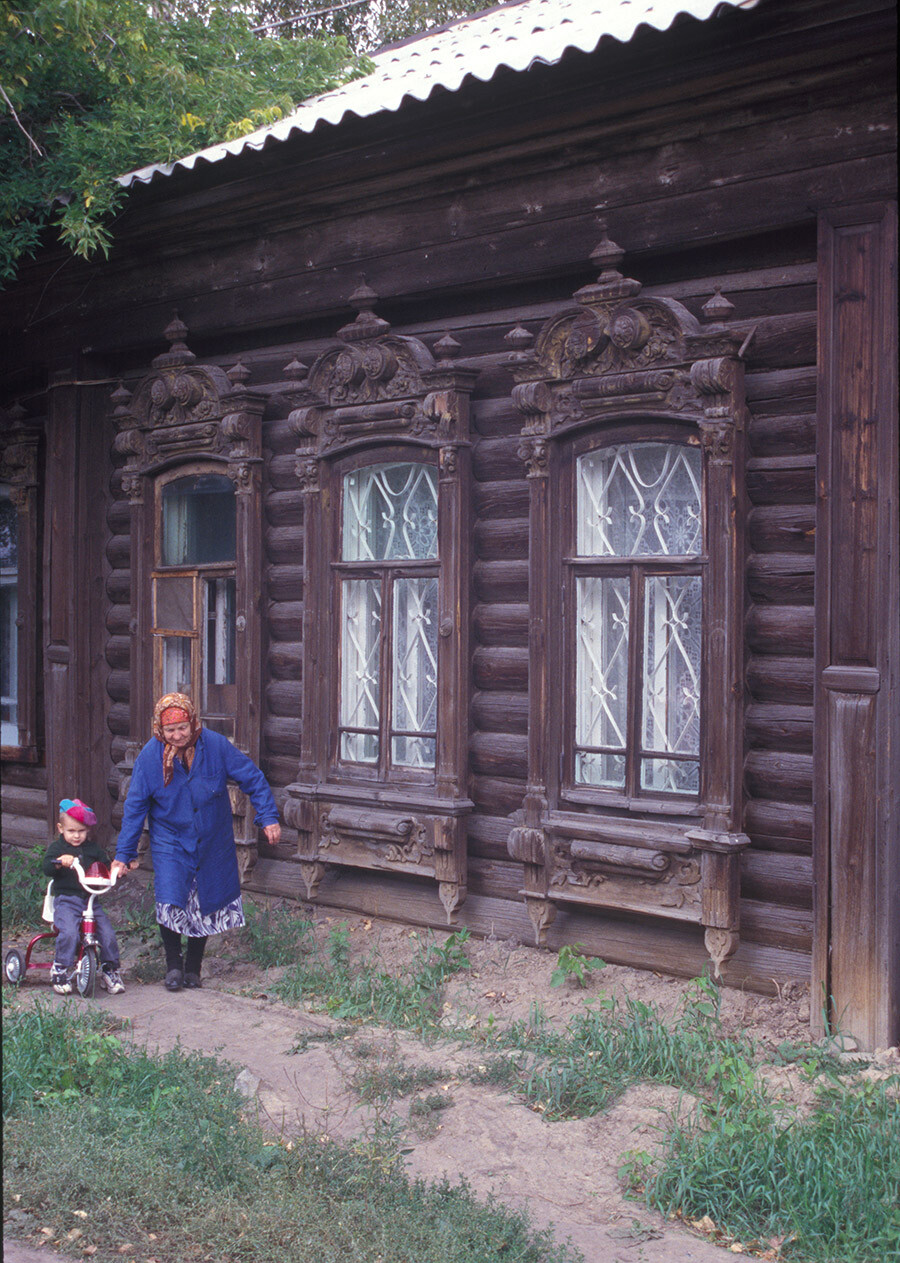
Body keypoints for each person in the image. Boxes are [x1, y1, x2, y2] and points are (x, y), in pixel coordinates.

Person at [111, 693, 281, 992]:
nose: (177, 736)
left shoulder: (214, 745)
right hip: (170, 837)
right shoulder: (149, 758)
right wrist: (124, 853)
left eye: (182, 728)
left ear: (193, 723)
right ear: (159, 730)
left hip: (211, 836)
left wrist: (268, 816)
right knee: (171, 897)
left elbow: (252, 778)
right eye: (170, 730)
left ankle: (193, 968)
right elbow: (135, 807)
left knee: (205, 900)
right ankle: (173, 966)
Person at [43, 798, 125, 996]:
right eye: (71, 831)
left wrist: (119, 867)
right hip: (67, 901)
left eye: (81, 831)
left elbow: (105, 865)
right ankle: (60, 968)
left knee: (107, 934)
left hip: (90, 901)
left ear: (87, 830)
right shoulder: (58, 848)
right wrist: (59, 862)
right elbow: (46, 868)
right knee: (69, 932)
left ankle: (109, 970)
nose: (77, 836)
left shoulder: (93, 849)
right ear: (61, 828)